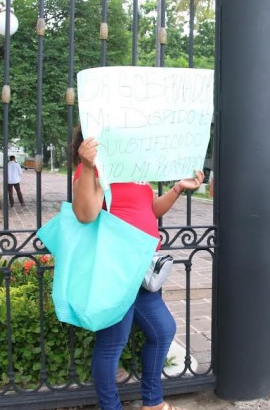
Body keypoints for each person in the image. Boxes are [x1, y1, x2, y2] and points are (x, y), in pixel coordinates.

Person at [71, 126, 203, 410]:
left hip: (141, 272)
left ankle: (152, 403)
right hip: (116, 271)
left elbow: (149, 211)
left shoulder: (133, 171)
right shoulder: (94, 170)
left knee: (163, 330)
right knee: (112, 343)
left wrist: (179, 187)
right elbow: (85, 215)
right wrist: (87, 165)